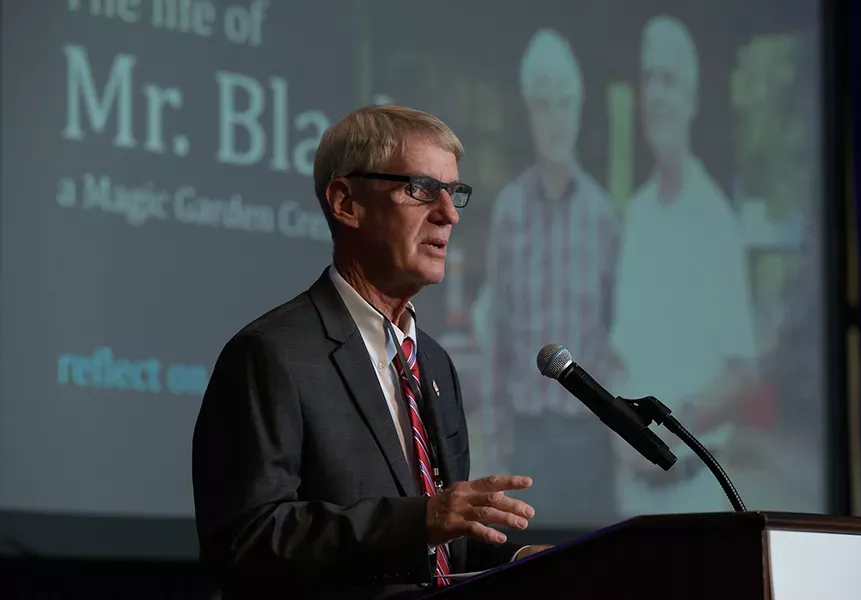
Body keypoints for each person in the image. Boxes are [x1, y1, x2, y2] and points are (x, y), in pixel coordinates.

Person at [192, 105, 550, 599]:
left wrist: (517, 560)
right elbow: (247, 539)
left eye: (454, 193)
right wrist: (420, 520)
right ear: (346, 202)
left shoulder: (436, 364)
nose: (448, 213)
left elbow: (439, 547)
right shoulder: (272, 355)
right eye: (421, 189)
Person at [609, 15, 758, 516]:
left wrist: (670, 430)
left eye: (668, 79)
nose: (655, 93)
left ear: (693, 100)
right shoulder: (639, 214)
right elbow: (623, 351)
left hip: (695, 494)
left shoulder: (716, 220)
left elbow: (742, 374)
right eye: (648, 78)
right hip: (631, 500)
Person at [478, 28, 622, 528]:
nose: (556, 117)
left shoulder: (604, 215)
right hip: (528, 437)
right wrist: (497, 439)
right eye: (544, 104)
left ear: (579, 108)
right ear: (529, 111)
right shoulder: (509, 211)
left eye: (565, 103)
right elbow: (496, 328)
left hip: (590, 436)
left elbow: (617, 328)